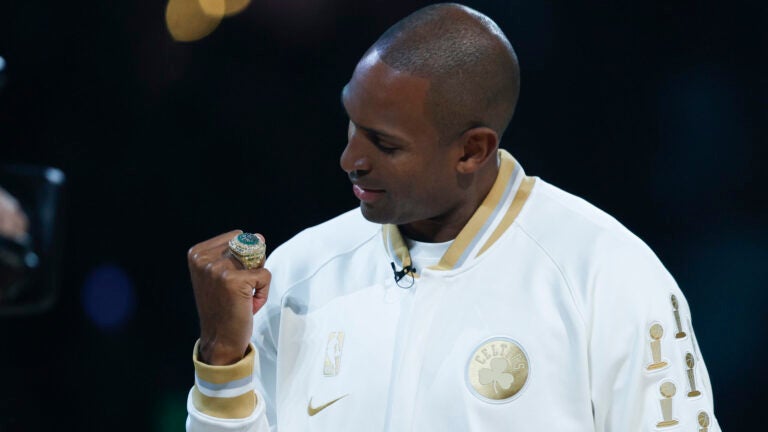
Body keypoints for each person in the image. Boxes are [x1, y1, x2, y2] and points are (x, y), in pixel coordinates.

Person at [186, 3, 720, 431]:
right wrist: (222, 362)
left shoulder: (607, 274)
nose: (350, 159)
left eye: (385, 143)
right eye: (352, 123)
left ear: (472, 150)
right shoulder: (301, 269)